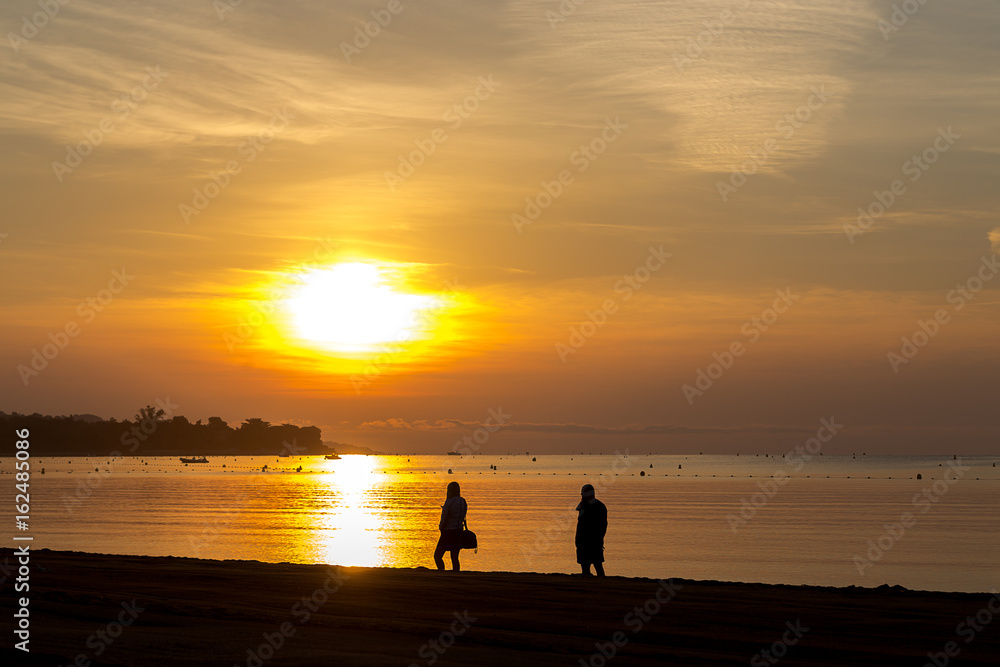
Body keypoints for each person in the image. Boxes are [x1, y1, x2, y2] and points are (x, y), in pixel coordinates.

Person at [434, 481, 468, 571]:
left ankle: (442, 572)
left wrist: (441, 527)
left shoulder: (449, 502)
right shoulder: (463, 501)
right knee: (454, 557)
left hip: (448, 532)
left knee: (437, 556)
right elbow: (463, 516)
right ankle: (456, 574)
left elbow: (444, 517)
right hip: (458, 531)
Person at [575, 483, 607, 576]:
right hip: (584, 541)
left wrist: (600, 539)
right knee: (587, 566)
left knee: (597, 565)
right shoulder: (584, 505)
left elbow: (603, 525)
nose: (581, 495)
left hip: (593, 541)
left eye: (582, 493)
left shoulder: (598, 506)